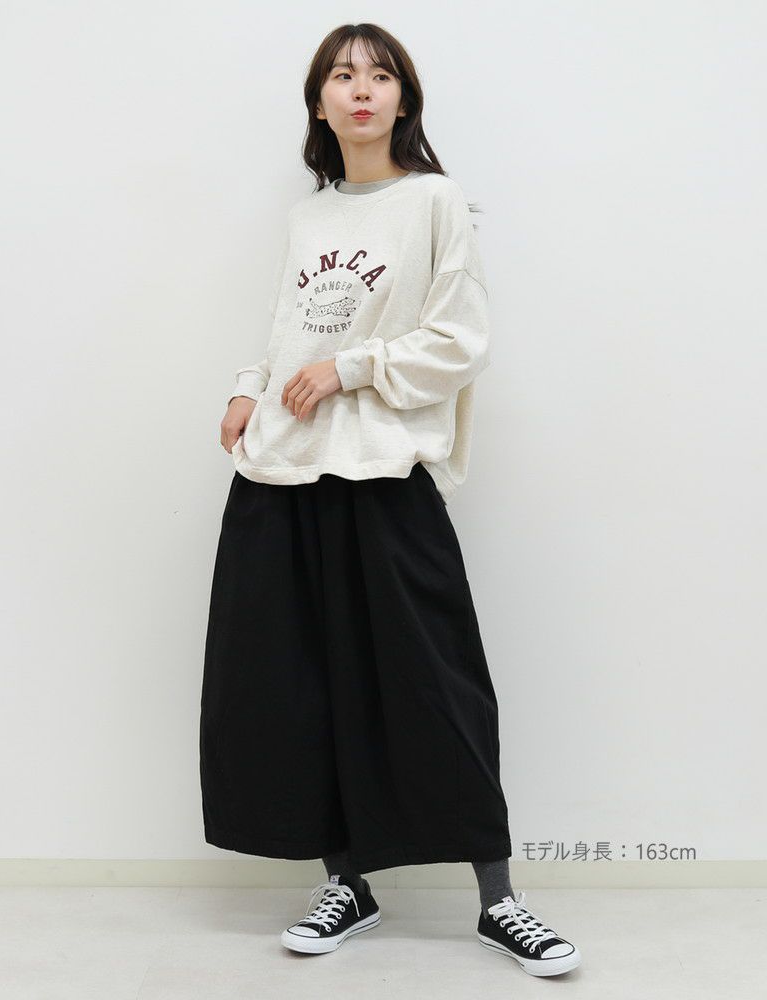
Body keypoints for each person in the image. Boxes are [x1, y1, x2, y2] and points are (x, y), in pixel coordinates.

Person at [199, 23, 581, 978]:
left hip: (383, 471)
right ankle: (348, 885)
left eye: (379, 75)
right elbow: (288, 326)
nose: (361, 89)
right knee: (299, 689)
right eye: (342, 75)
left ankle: (499, 902)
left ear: (403, 98)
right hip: (281, 470)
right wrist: (249, 387)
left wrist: (351, 368)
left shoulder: (434, 202)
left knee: (437, 683)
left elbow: (460, 339)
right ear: (319, 102)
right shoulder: (310, 216)